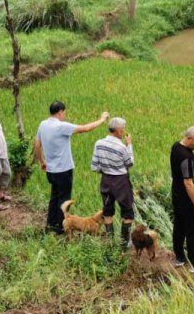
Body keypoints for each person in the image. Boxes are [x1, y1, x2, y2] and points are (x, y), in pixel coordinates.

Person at [35, 101, 109, 234]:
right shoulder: (61, 126)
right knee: (64, 200)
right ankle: (60, 229)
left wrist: (42, 161)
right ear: (60, 112)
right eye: (64, 113)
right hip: (63, 170)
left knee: (54, 197)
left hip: (51, 171)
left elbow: (37, 145)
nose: (64, 115)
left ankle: (50, 225)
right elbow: (86, 128)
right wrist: (102, 119)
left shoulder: (43, 124)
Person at [170, 126, 194, 272]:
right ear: (189, 139)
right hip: (187, 199)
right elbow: (188, 182)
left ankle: (180, 257)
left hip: (176, 194)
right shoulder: (186, 157)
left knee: (179, 226)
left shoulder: (175, 147)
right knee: (193, 230)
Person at [91, 117, 134, 249]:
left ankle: (110, 243)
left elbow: (94, 166)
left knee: (108, 211)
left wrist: (106, 170)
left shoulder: (98, 143)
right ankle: (123, 244)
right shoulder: (121, 147)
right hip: (121, 182)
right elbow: (129, 163)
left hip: (106, 181)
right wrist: (129, 145)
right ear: (119, 131)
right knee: (127, 213)